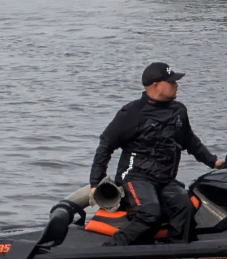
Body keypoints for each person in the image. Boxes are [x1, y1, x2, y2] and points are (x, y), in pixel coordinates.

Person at [90, 62, 225, 245]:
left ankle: (175, 254)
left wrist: (214, 162)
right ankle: (108, 250)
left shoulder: (179, 111)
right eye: (171, 82)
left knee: (185, 207)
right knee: (150, 211)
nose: (176, 85)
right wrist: (95, 182)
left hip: (165, 180)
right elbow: (106, 145)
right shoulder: (131, 113)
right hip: (136, 177)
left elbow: (190, 141)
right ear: (156, 86)